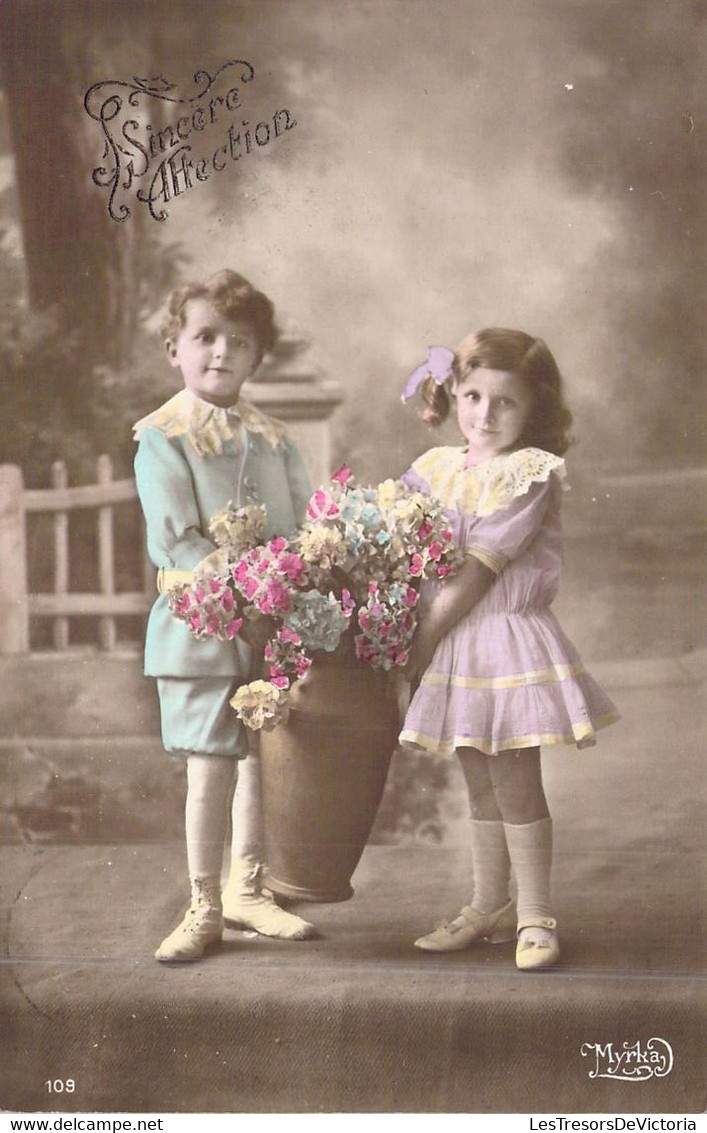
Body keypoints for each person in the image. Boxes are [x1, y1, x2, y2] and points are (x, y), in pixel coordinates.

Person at [399, 329, 619, 970]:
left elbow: (475, 574)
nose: (484, 415)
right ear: (452, 395)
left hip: (501, 635)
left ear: (535, 412)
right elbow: (401, 544)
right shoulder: (436, 469)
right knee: (478, 781)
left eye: (505, 403)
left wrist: (418, 644)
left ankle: (536, 915)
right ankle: (488, 904)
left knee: (516, 782)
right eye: (471, 396)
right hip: (454, 637)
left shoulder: (528, 474)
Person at [134, 269, 316, 962]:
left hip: (270, 623)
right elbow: (177, 539)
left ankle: (247, 887)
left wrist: (288, 585)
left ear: (257, 356)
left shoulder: (271, 438)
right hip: (202, 619)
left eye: (238, 341)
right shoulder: (163, 435)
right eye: (203, 336)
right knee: (211, 761)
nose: (220, 353)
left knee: (262, 757)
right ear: (174, 348)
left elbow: (298, 524)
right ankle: (203, 901)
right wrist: (243, 592)